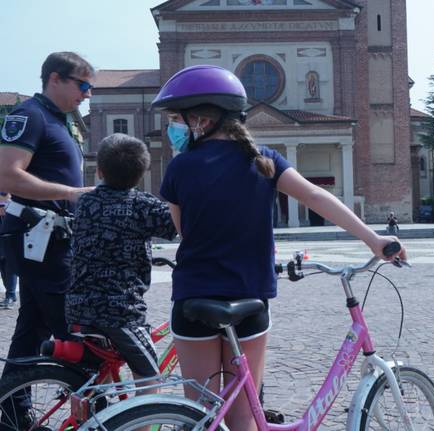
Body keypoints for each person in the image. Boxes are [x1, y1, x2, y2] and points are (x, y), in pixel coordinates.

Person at [153, 65, 406, 431]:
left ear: (202, 119)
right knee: (243, 416)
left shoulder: (180, 167)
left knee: (201, 415)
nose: (175, 127)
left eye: (178, 118)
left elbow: (182, 231)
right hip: (249, 297)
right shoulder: (265, 160)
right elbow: (317, 196)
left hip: (193, 298)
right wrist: (374, 239)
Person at [0, 52, 95, 424]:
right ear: (55, 78)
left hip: (50, 237)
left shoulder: (62, 119)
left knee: (31, 330)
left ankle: (12, 411)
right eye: (83, 85)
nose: (87, 94)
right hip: (36, 235)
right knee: (75, 332)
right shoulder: (30, 115)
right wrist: (72, 194)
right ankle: (97, 410)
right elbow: (7, 176)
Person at [65, 133, 177, 391]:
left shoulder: (84, 202)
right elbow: (178, 223)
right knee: (150, 376)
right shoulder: (142, 205)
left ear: (100, 172)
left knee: (95, 372)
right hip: (120, 311)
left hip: (78, 306)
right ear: (141, 174)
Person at [0, 192, 18, 309]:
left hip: (7, 222)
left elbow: (7, 196)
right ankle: (10, 294)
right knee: (2, 263)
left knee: (9, 263)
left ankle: (10, 295)